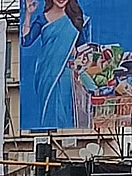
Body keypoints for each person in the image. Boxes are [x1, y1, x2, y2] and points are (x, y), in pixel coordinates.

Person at [21, 0, 89, 130]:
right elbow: (26, 41)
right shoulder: (42, 18)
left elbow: (83, 48)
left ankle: (66, 135)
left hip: (67, 72)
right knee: (49, 107)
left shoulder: (76, 18)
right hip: (45, 73)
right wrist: (28, 14)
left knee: (65, 106)